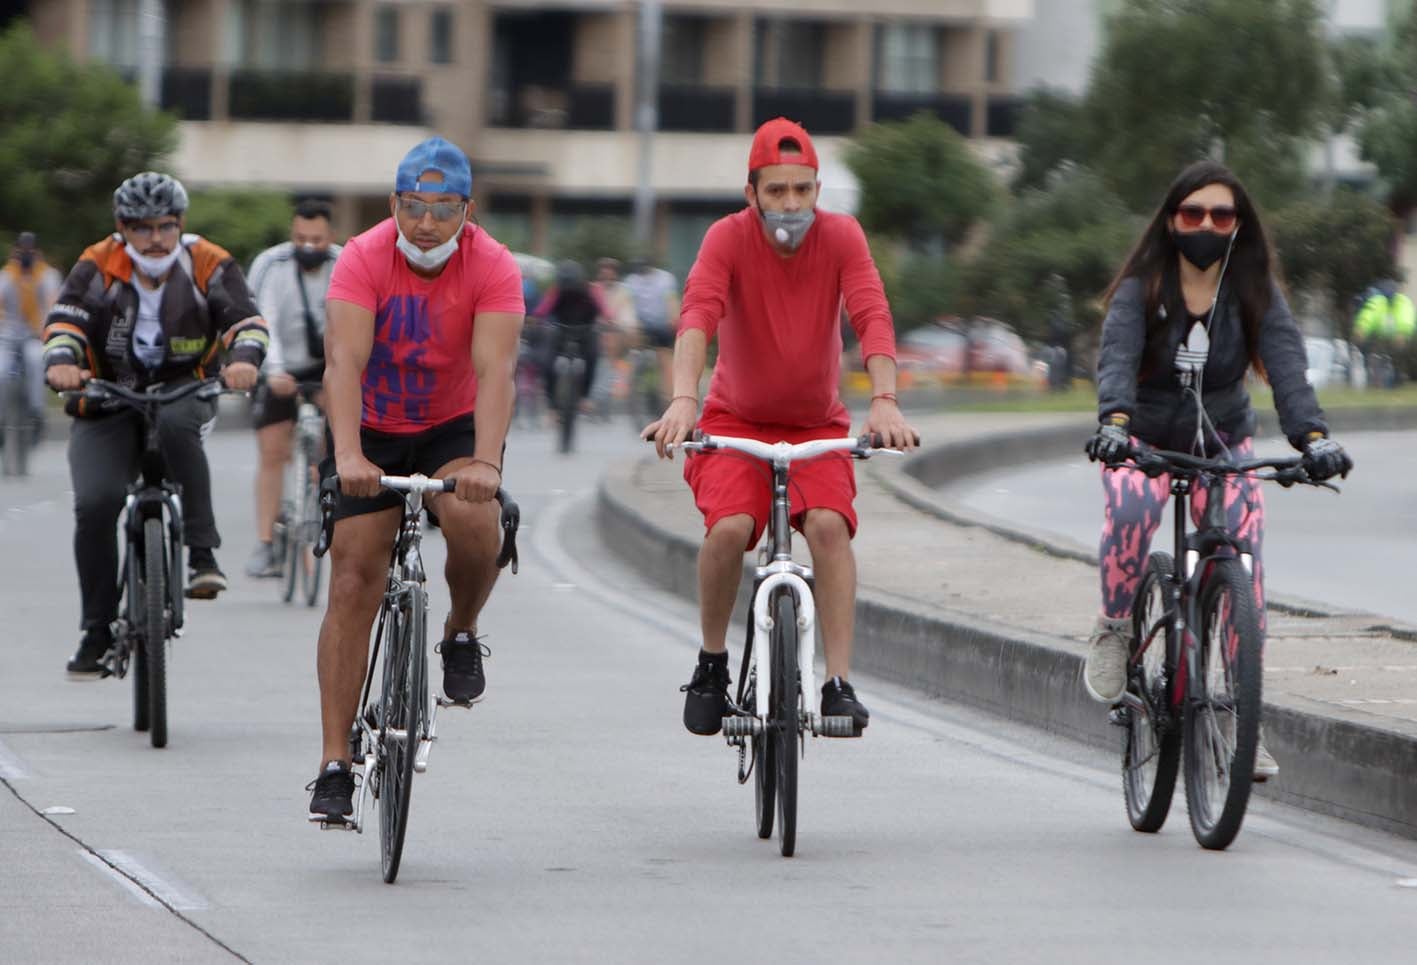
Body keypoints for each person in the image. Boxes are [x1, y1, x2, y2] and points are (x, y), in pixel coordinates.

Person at [645, 117, 917, 738]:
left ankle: (838, 682)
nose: (790, 204)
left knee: (828, 529)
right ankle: (712, 662)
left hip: (815, 424)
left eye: (802, 190)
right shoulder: (726, 239)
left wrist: (885, 400)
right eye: (776, 192)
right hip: (734, 421)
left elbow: (871, 312)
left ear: (818, 191)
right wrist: (683, 399)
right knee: (731, 529)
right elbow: (698, 314)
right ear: (752, 195)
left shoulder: (843, 237)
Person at [1083, 159, 1354, 779]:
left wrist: (1313, 438)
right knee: (1130, 507)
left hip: (1224, 440)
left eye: (1222, 215)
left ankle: (1237, 718)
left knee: (1245, 563)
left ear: (1239, 225)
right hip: (1144, 439)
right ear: (1171, 220)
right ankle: (1114, 628)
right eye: (1193, 213)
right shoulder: (1141, 289)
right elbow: (1116, 358)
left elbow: (1286, 362)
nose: (1206, 225)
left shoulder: (1253, 289)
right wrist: (1115, 426)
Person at [307, 137, 524, 822]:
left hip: (451, 425)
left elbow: (496, 372)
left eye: (440, 209)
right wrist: (347, 453)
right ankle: (335, 761)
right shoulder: (364, 257)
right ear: (393, 203)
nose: (424, 223)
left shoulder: (491, 265)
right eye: (411, 207)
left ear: (466, 209)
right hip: (370, 427)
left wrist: (486, 463)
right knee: (352, 576)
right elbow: (342, 362)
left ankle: (459, 629)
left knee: (471, 520)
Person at [42, 172, 268, 676]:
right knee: (97, 502)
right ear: (122, 228)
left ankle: (202, 556)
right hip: (107, 396)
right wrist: (63, 362)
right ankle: (97, 629)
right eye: (142, 228)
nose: (156, 239)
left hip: (184, 388)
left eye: (166, 226)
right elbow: (64, 322)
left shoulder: (207, 260)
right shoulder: (98, 262)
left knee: (175, 422)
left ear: (181, 224)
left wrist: (244, 360)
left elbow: (245, 320)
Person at [243, 200, 343, 578]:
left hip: (330, 367)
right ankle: (267, 542)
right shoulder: (272, 265)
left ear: (330, 236)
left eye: (317, 239)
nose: (308, 246)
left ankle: (323, 515)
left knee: (334, 447)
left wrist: (340, 375)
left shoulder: (346, 263)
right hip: (280, 364)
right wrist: (275, 371)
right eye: (301, 238)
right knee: (272, 450)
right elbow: (260, 319)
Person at [0, 232, 62, 439]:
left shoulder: (48, 276)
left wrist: (46, 329)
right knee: (1, 370)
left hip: (36, 335)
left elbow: (53, 305)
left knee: (36, 361)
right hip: (8, 337)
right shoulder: (6, 276)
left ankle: (37, 413)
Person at [532, 260, 604, 415]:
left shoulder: (592, 290)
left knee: (593, 356)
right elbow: (541, 311)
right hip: (562, 331)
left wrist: (610, 323)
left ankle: (585, 397)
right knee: (547, 362)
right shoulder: (557, 291)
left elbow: (604, 310)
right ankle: (551, 406)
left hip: (586, 331)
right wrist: (535, 321)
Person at [624, 256, 679, 407]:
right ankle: (633, 370)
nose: (641, 276)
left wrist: (673, 319)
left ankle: (669, 397)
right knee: (630, 335)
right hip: (641, 325)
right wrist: (627, 322)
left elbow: (671, 300)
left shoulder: (665, 279)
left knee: (665, 359)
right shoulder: (631, 279)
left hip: (663, 324)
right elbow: (625, 301)